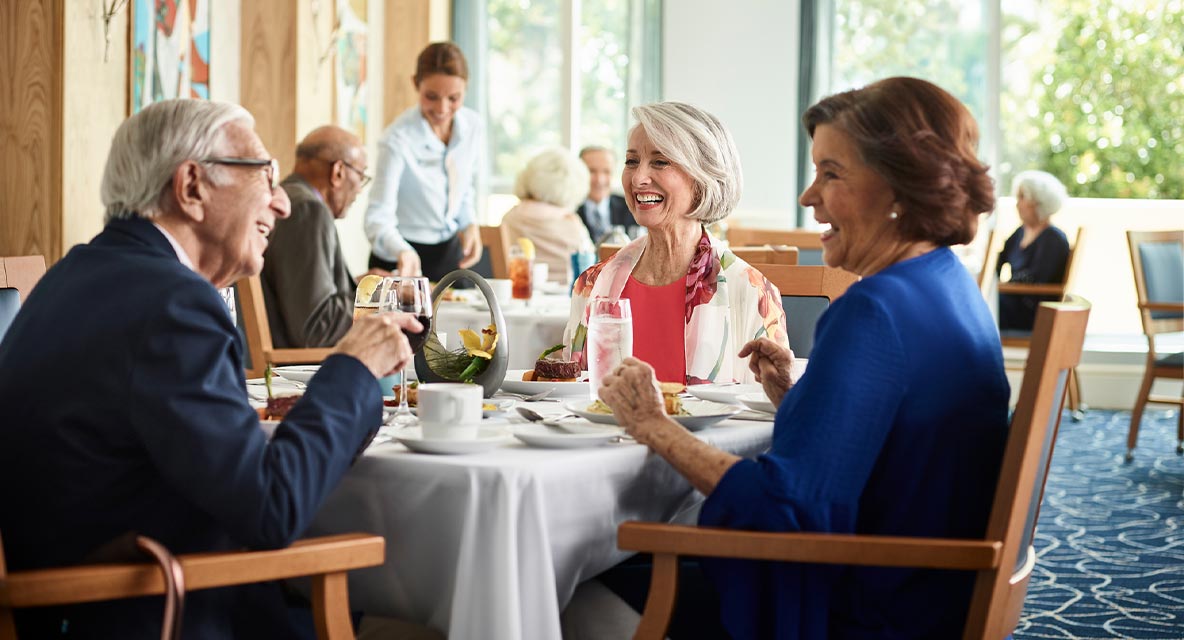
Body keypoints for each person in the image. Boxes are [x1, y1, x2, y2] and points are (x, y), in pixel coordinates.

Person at [596, 77, 1010, 638]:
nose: (808, 196)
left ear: (896, 188)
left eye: (831, 174)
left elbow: (780, 506)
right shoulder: (951, 288)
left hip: (848, 608)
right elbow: (889, 450)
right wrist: (803, 399)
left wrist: (652, 425)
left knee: (566, 591)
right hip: (925, 595)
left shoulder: (875, 311)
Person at [0, 99, 423, 638]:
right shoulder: (172, 304)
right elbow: (272, 510)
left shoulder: (77, 272)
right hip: (145, 612)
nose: (284, 205)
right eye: (266, 177)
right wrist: (354, 367)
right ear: (192, 187)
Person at [563, 102, 788, 385]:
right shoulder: (592, 284)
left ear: (703, 177)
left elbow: (772, 411)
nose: (638, 178)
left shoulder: (750, 291)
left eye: (660, 161)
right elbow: (567, 396)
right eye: (632, 161)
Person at [364, 42, 483, 281]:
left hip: (449, 253)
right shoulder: (396, 140)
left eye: (454, 98)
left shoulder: (473, 127)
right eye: (431, 97)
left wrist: (470, 224)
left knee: (465, 319)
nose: (442, 108)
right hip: (400, 256)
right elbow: (377, 218)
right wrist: (403, 250)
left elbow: (464, 187)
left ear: (465, 90)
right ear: (415, 84)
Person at [262, 125, 388, 348]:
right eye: (361, 176)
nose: (359, 190)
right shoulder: (308, 211)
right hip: (298, 371)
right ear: (338, 172)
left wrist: (363, 285)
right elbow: (317, 328)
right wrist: (382, 297)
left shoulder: (290, 198)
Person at [499, 147, 594, 284]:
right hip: (566, 296)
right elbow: (590, 264)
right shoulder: (570, 221)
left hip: (521, 292)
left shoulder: (510, 217)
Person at [997, 170, 1071, 332]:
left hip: (1032, 312)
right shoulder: (1019, 233)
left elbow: (1035, 281)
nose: (1017, 204)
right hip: (1010, 301)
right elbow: (997, 262)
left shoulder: (1053, 238)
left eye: (1022, 197)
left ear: (1038, 201)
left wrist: (1002, 288)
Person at [577, 145, 639, 242]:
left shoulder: (632, 207)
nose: (599, 180)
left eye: (606, 172)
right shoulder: (568, 211)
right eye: (592, 171)